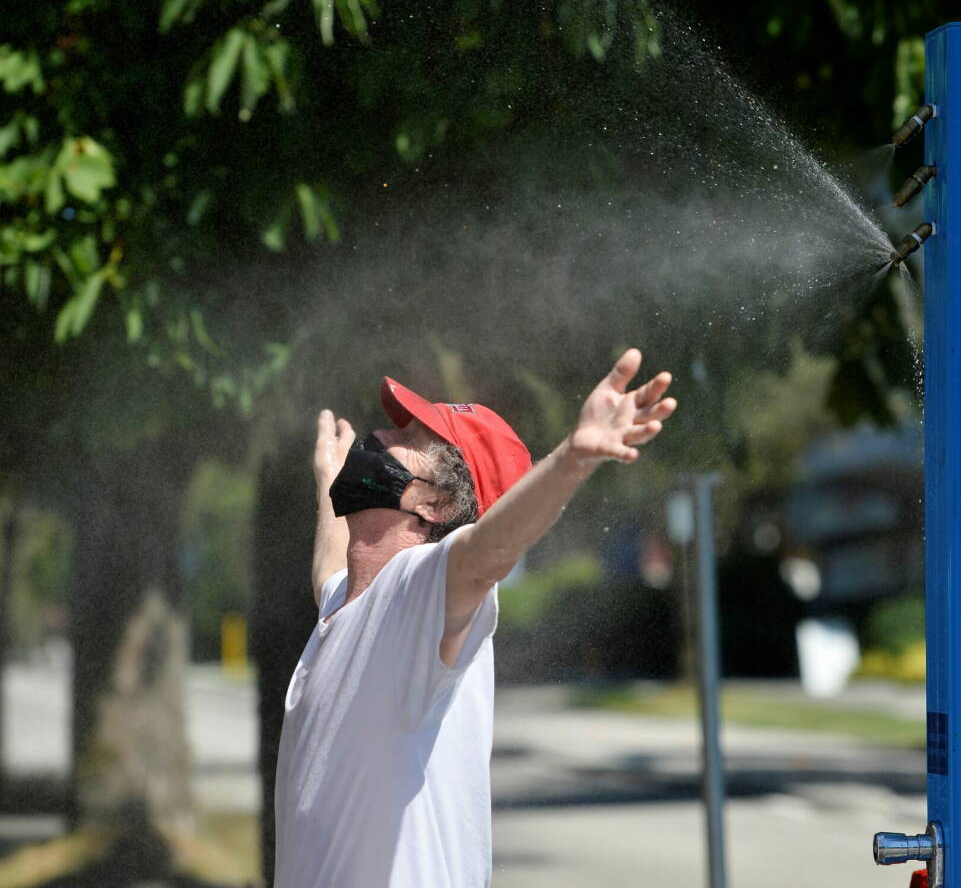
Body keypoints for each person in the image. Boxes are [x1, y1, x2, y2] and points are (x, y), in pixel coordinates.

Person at [273, 348, 677, 887]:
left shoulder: (419, 594)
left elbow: (487, 552)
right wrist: (328, 476)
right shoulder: (347, 602)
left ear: (437, 506)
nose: (379, 437)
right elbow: (328, 563)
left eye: (410, 440)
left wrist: (573, 459)